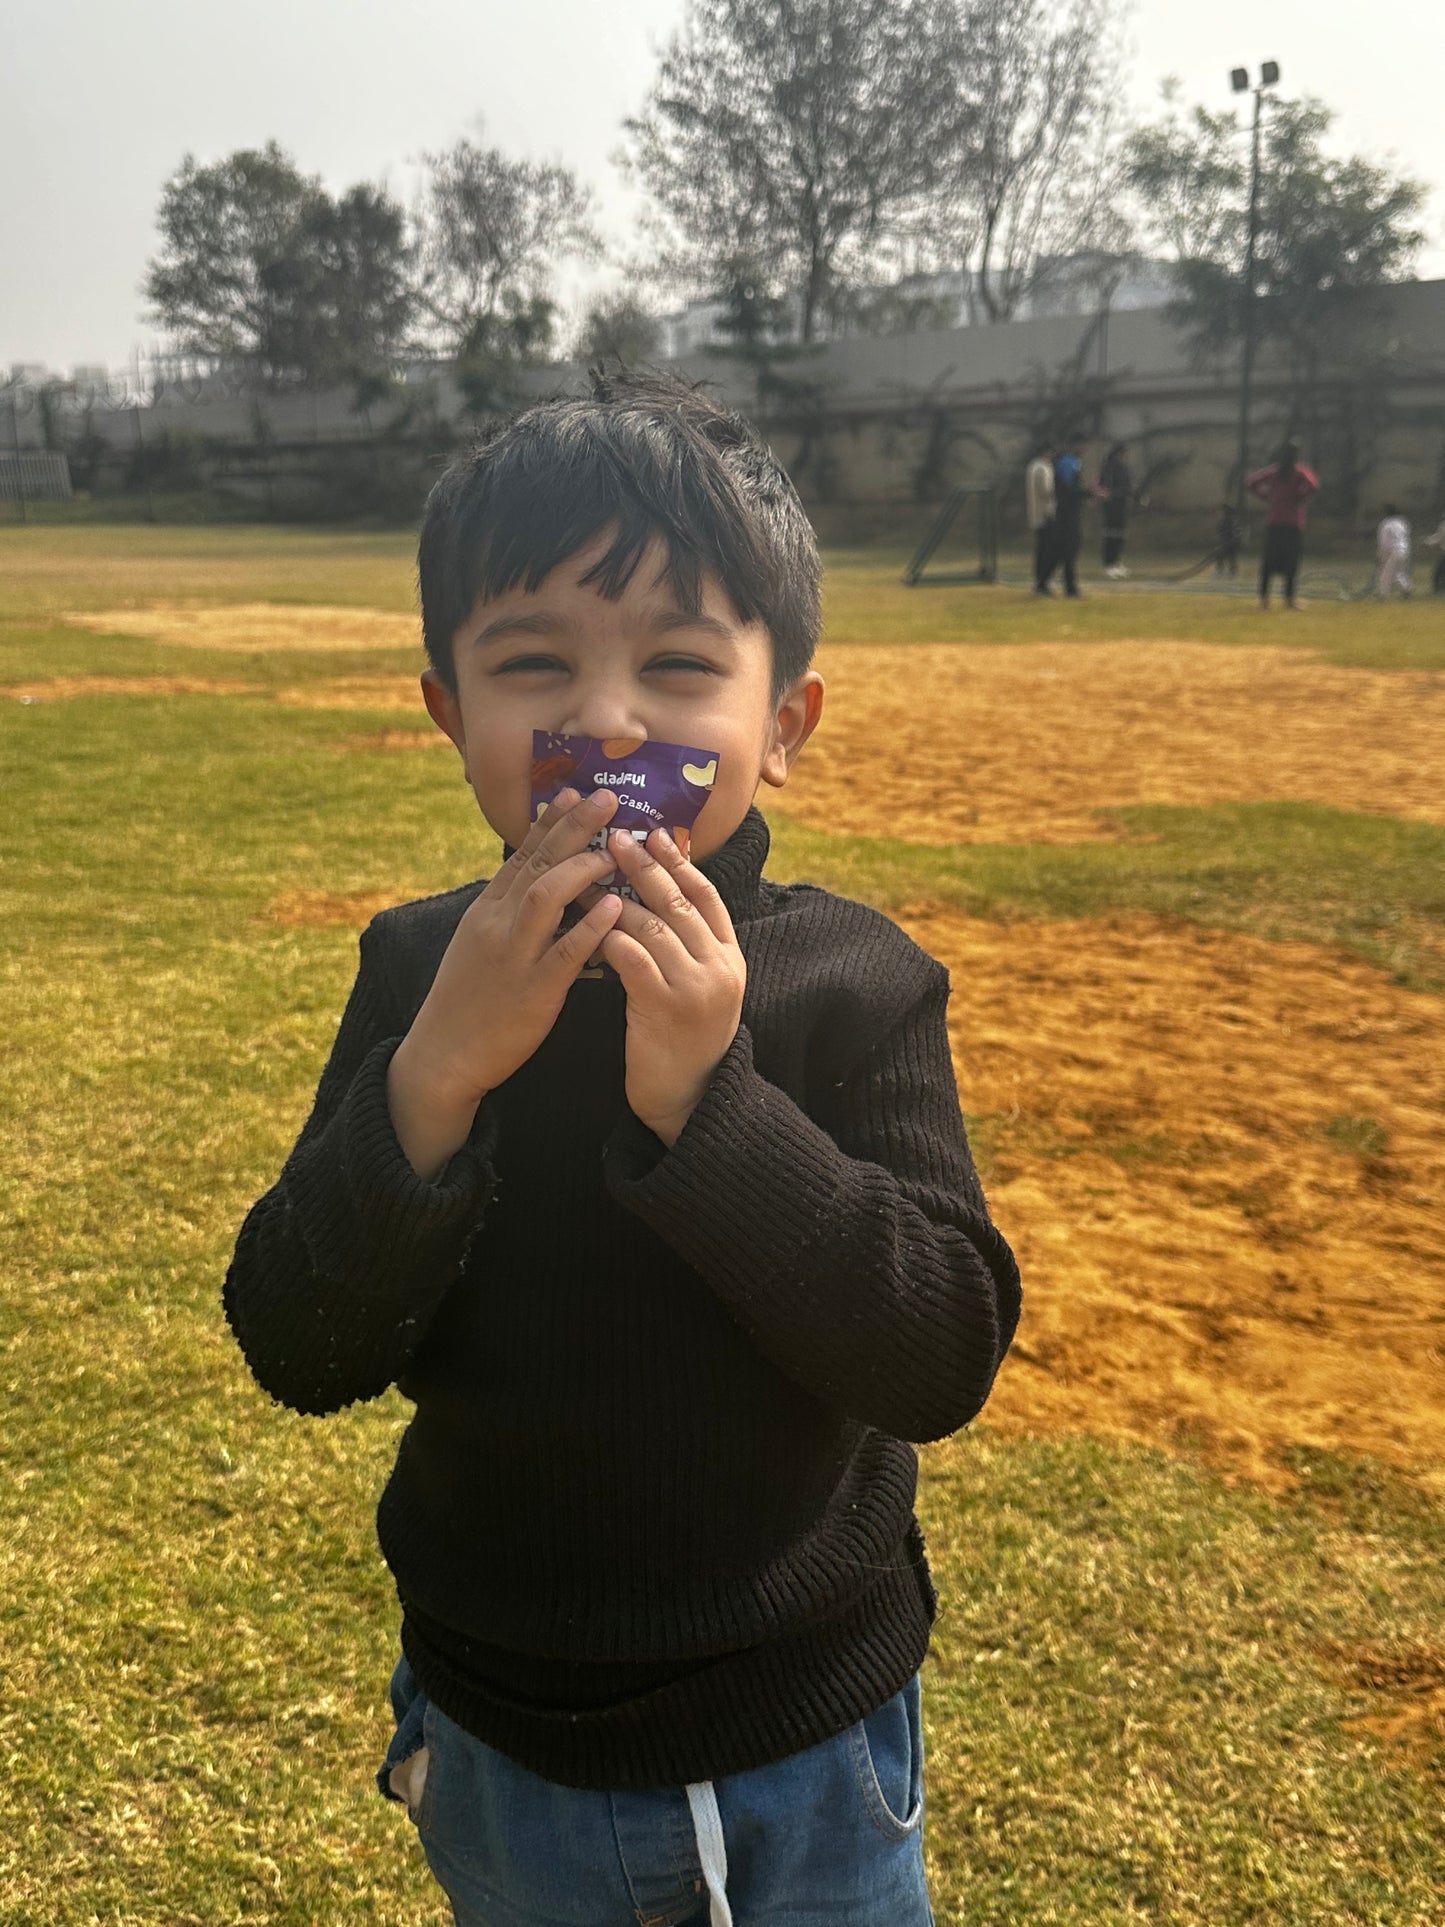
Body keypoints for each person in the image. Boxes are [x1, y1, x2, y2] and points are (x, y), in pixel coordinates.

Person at [223, 372, 1021, 1927]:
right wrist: (439, 1069)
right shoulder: (416, 973)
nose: (604, 720)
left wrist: (709, 1104)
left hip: (809, 1720)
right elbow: (299, 1338)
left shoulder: (853, 980)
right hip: (507, 1727)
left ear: (780, 722)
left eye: (676, 663)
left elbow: (939, 1351)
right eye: (533, 664)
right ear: (450, 711)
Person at [1246, 440, 1320, 608]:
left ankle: (1264, 600)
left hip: (1274, 523)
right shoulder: (1299, 472)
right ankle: (1289, 599)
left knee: (1269, 562)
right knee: (1291, 562)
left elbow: (1251, 482)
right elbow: (1313, 485)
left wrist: (1267, 497)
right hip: (1293, 524)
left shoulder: (1274, 472)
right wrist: (1300, 498)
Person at [1052, 435, 1087, 597]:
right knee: (1070, 548)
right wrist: (1089, 493)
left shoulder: (1073, 463)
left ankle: (1069, 585)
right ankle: (1069, 587)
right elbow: (1069, 491)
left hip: (1070, 511)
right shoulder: (1067, 463)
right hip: (1067, 513)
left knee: (1070, 549)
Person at [1025, 438, 1058, 594]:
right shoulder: (1042, 468)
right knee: (1047, 550)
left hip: (1037, 515)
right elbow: (1045, 492)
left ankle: (1040, 581)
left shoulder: (1033, 466)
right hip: (1045, 515)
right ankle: (1043, 582)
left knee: (1042, 550)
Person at [1098, 441, 1132, 577]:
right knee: (1111, 534)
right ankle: (1108, 564)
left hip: (1122, 505)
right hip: (1112, 506)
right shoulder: (1109, 466)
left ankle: (1116, 562)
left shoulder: (1123, 467)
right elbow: (1106, 487)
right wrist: (1115, 494)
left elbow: (1128, 485)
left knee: (1120, 535)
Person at [1373, 504, 1413, 599]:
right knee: (1397, 572)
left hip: (1394, 551)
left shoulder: (1386, 524)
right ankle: (1406, 588)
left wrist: (1381, 554)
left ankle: (1382, 594)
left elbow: (1384, 542)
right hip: (1404, 550)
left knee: (1385, 573)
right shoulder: (1402, 523)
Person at [1214, 502, 1244, 576]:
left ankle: (1222, 571)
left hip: (1230, 543)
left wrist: (1230, 541)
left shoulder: (1228, 520)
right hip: (1230, 542)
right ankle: (1231, 571)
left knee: (1222, 555)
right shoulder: (1231, 519)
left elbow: (1231, 532)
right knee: (1229, 556)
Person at [1421, 511, 1445, 594]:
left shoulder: (1443, 525)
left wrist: (1427, 541)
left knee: (1438, 573)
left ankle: (1438, 589)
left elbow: (1438, 538)